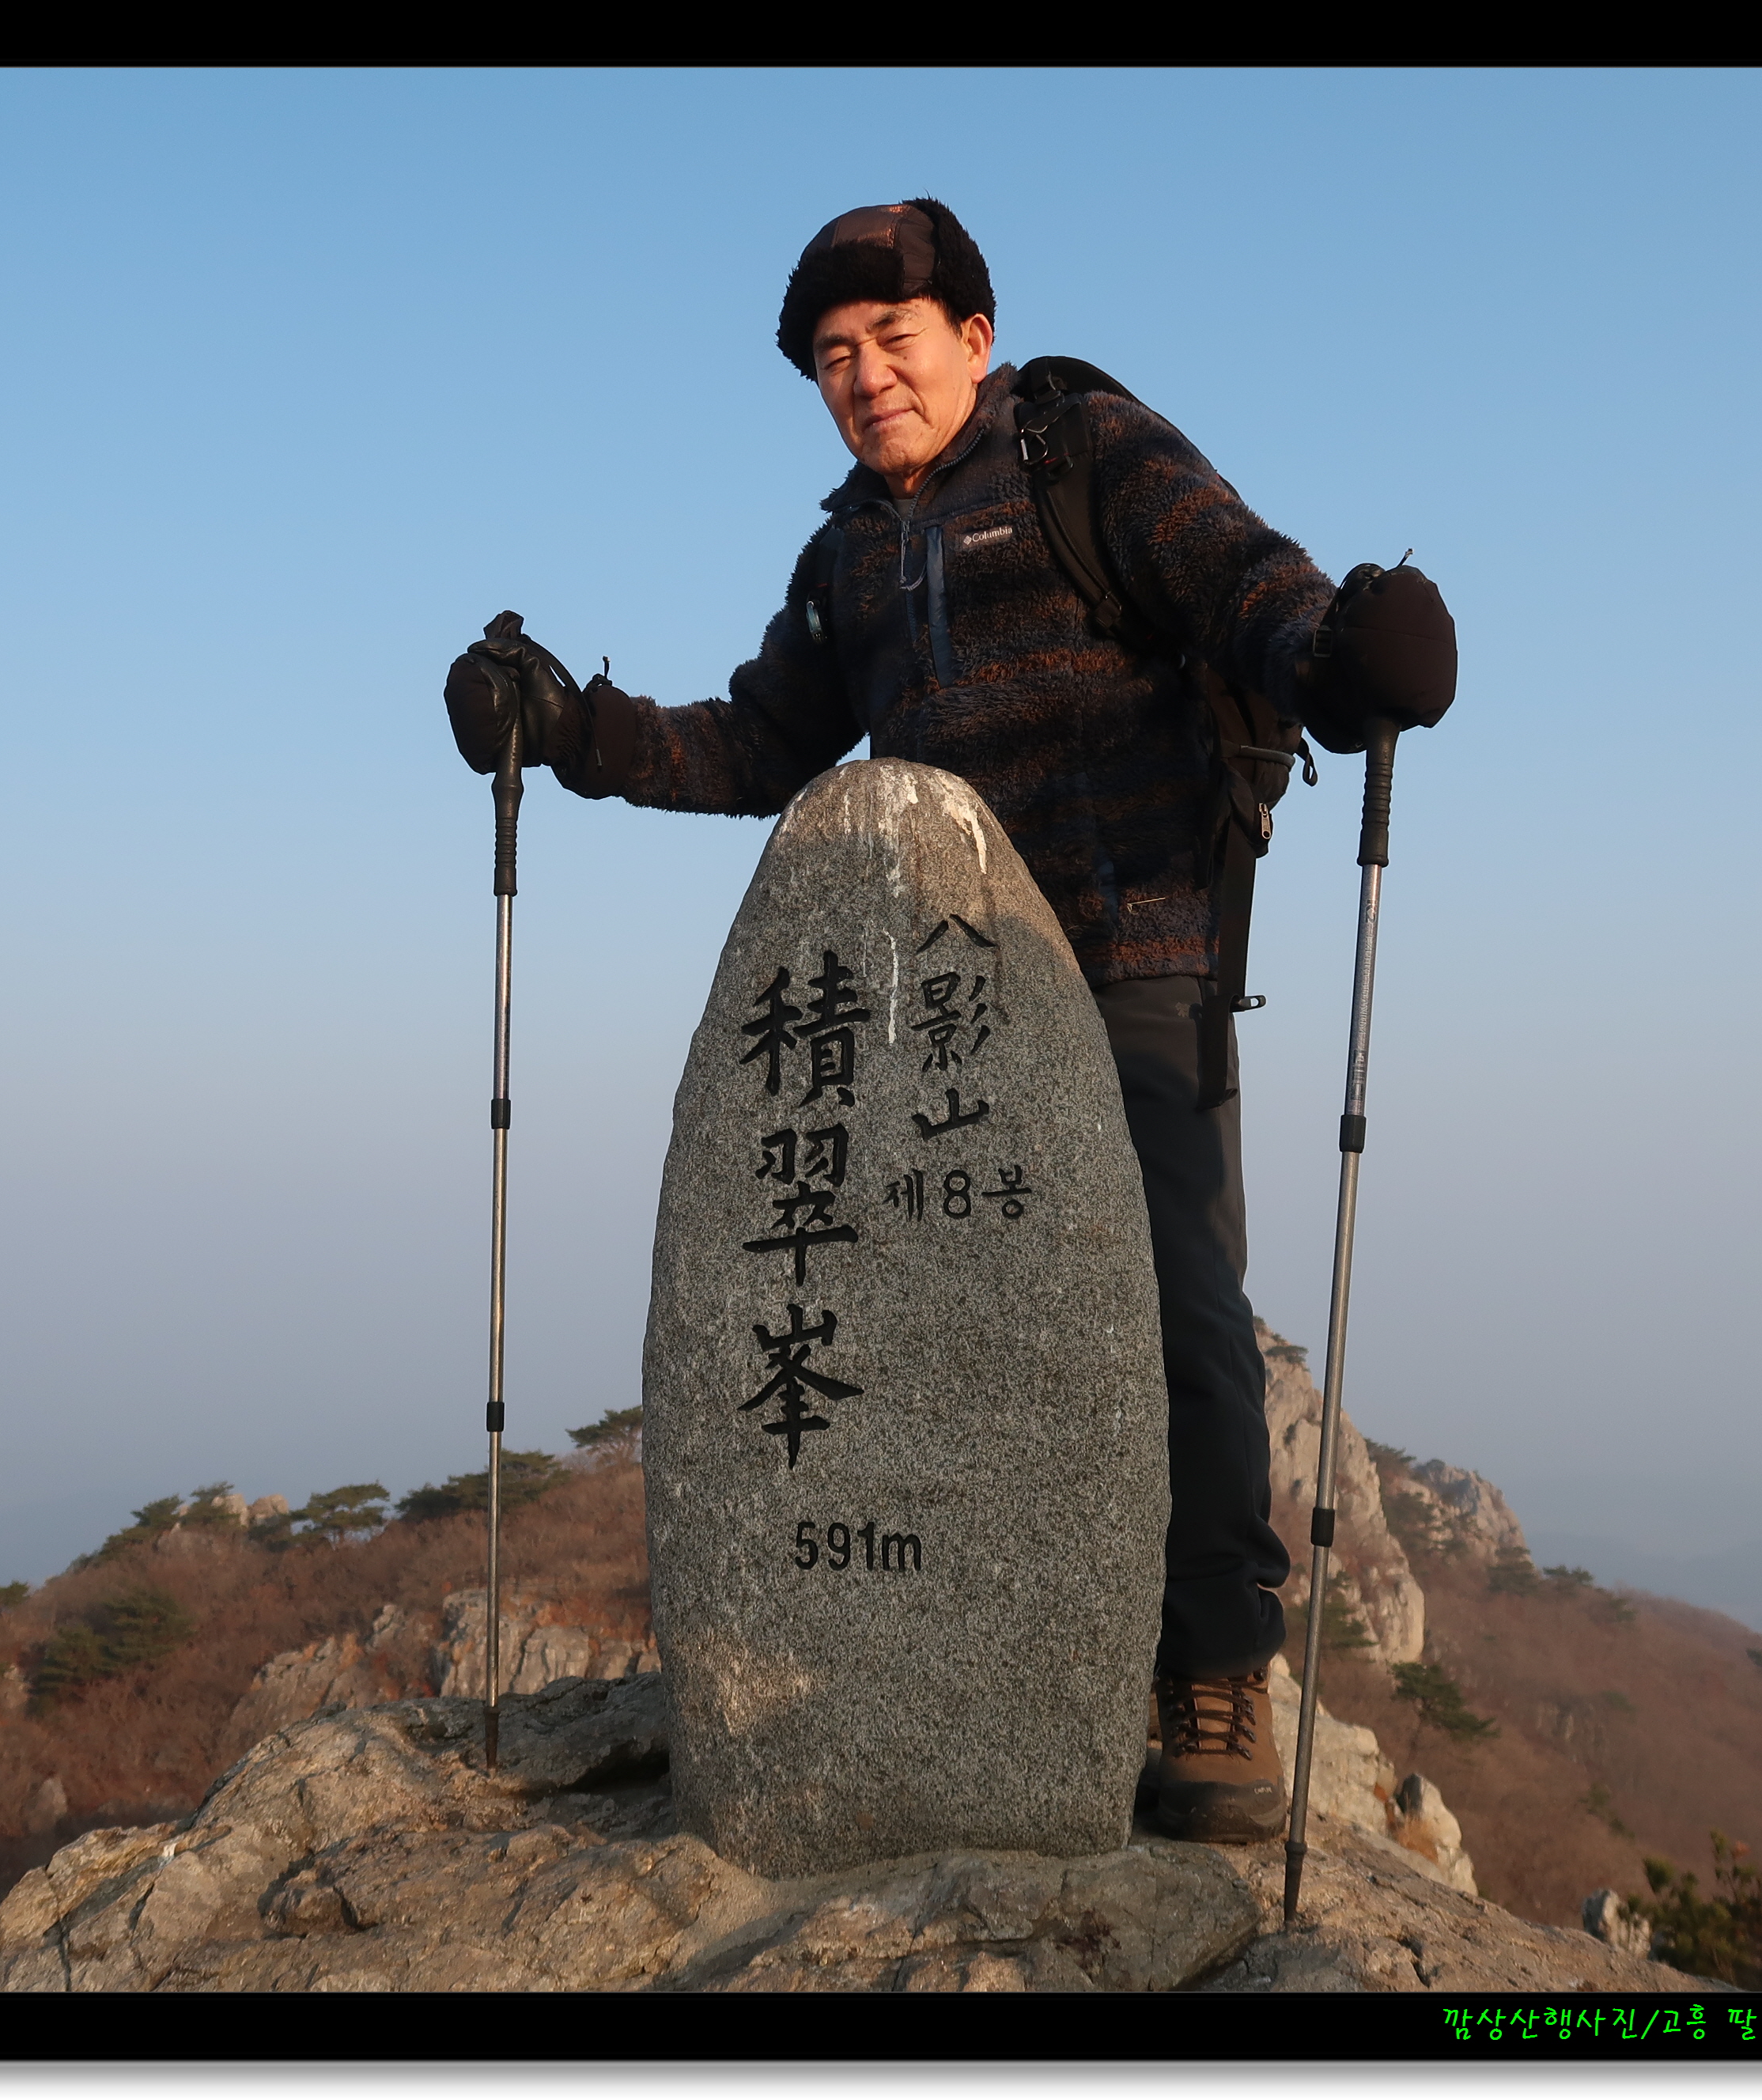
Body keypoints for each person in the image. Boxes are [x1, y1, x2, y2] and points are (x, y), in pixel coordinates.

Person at [445, 199, 1454, 1843]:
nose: (864, 377)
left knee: (1178, 1309)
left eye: (891, 340)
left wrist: (1340, 659)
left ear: (972, 339)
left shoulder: (1087, 458)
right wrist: (573, 731)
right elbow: (757, 744)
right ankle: (985, 1637)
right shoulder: (847, 552)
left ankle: (1212, 1672)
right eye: (832, 358)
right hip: (941, 999)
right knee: (937, 1318)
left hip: (1131, 957)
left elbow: (1244, 586)